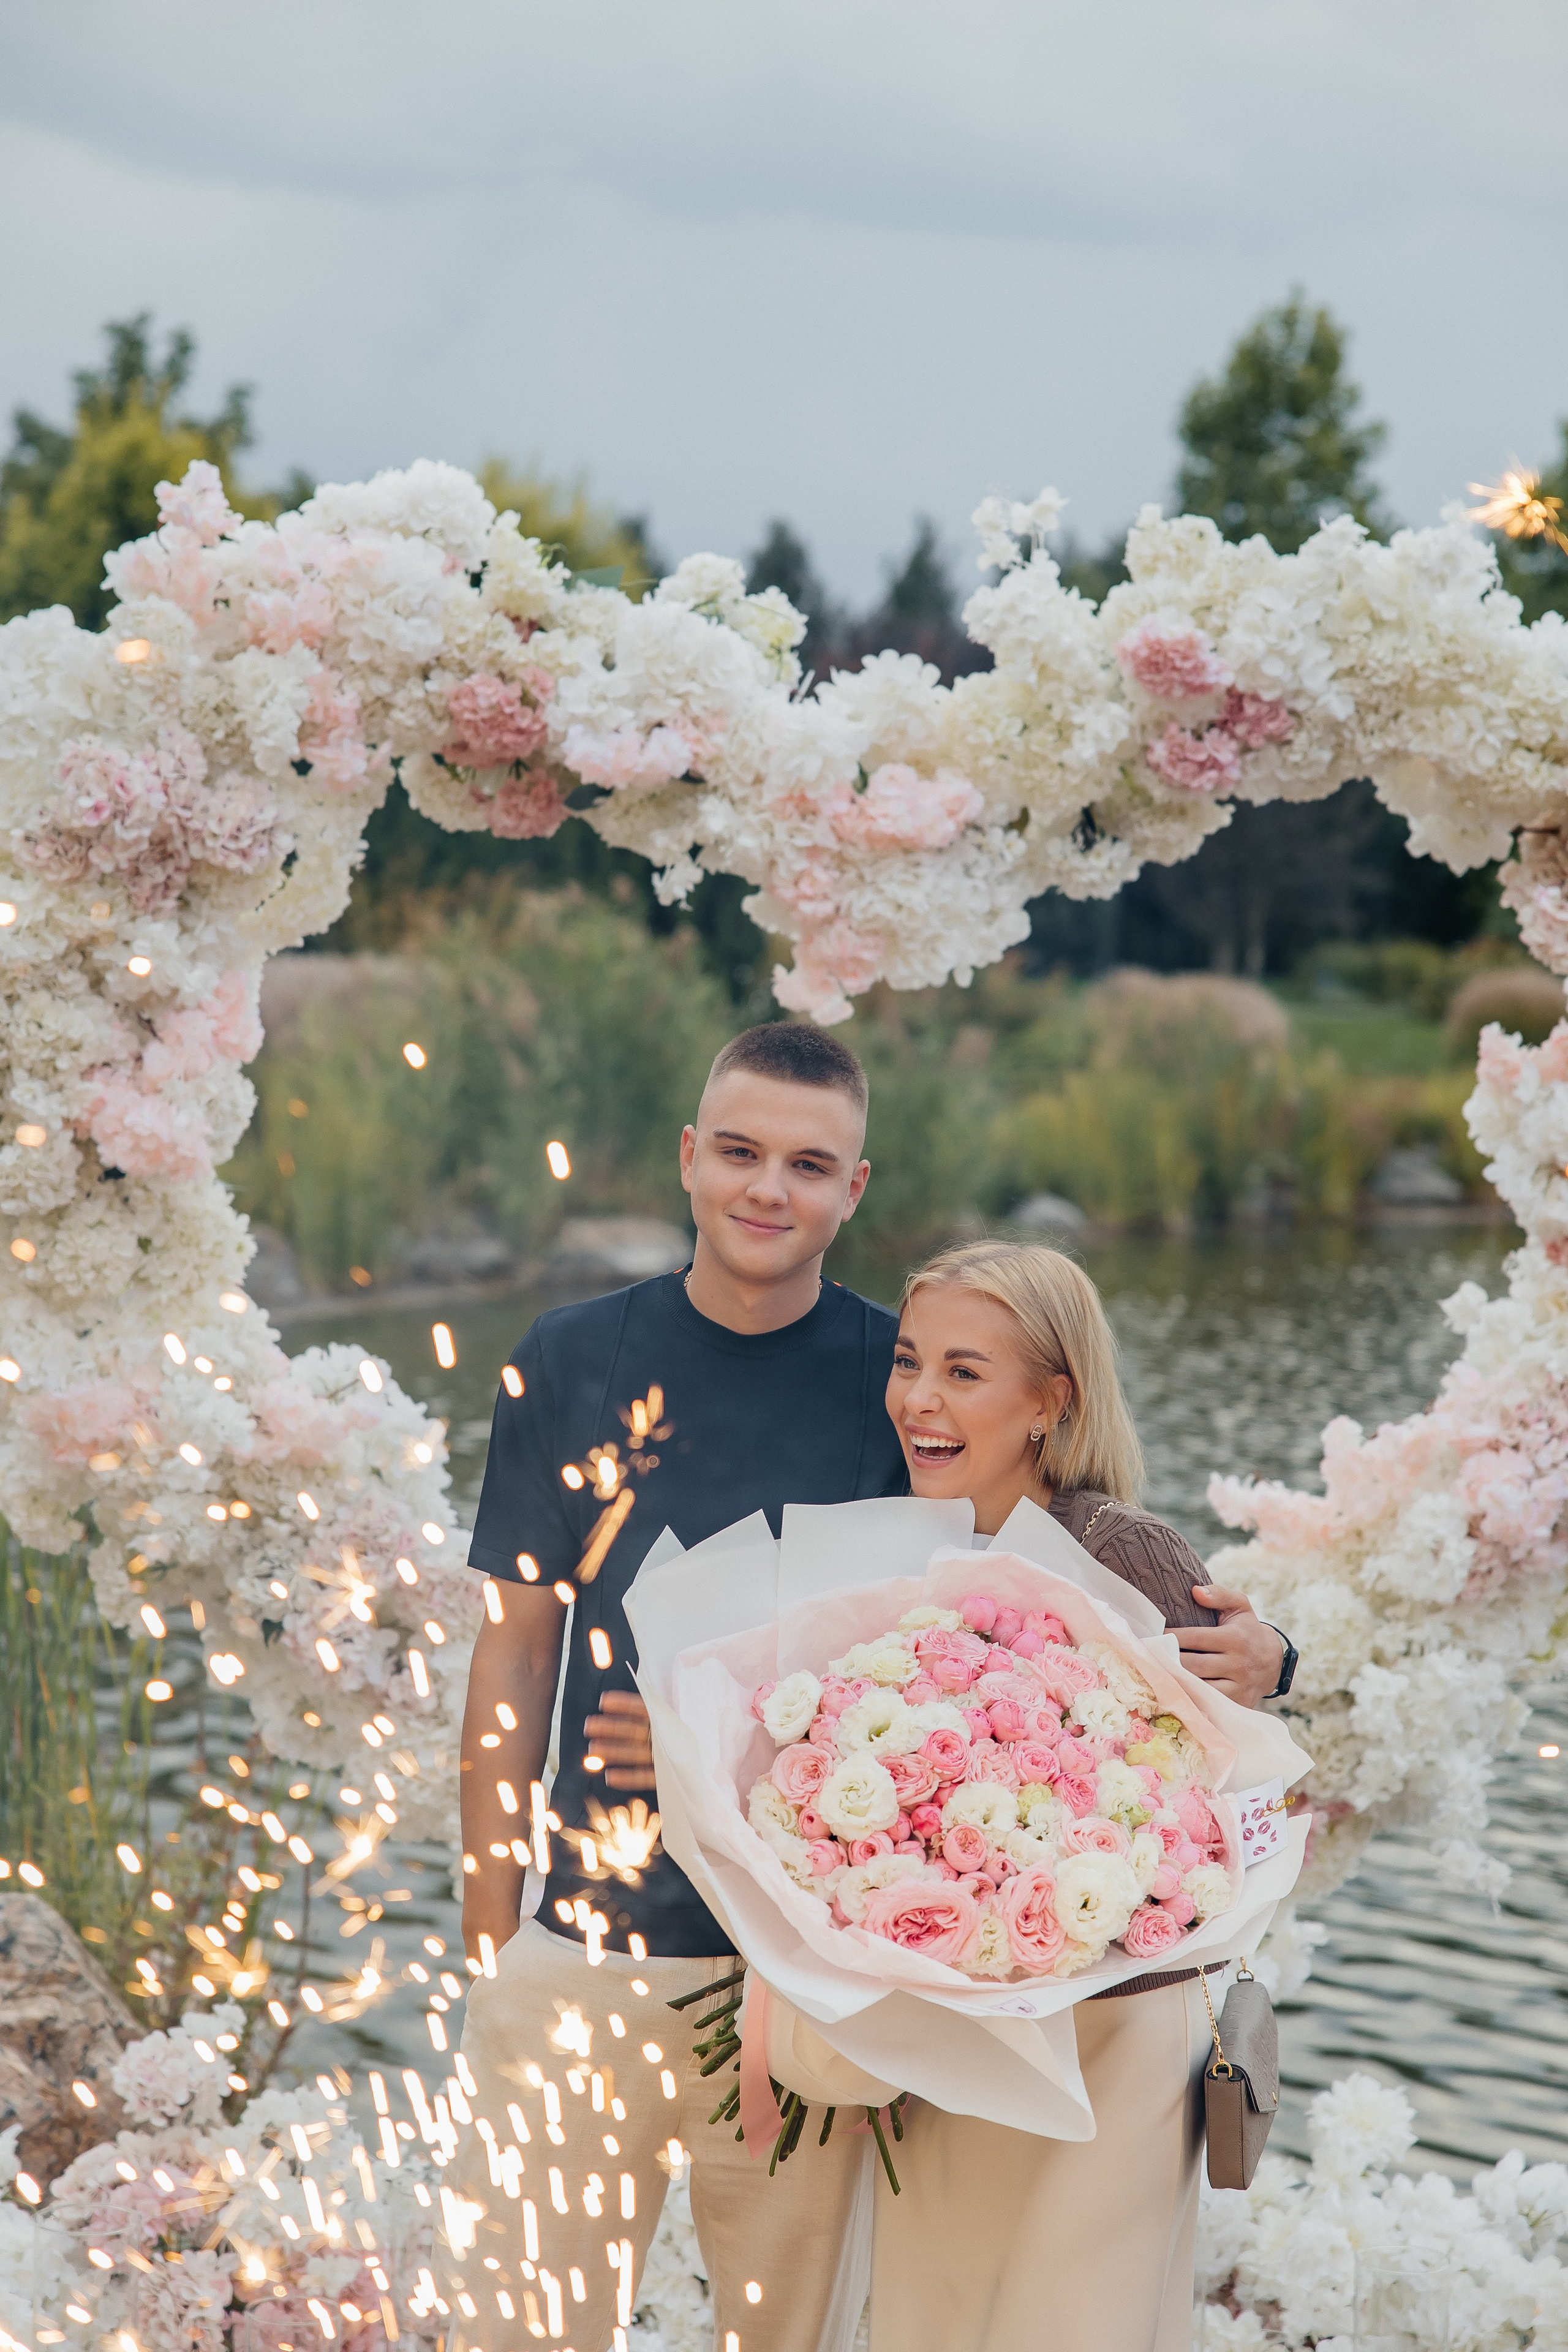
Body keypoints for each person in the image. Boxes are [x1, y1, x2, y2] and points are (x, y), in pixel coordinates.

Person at [444, 1030, 1293, 2352]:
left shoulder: (895, 1379)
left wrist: (1271, 1659)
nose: (765, 1190)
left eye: (807, 1163)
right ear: (687, 1159)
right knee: (514, 2334)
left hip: (804, 2007)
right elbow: (509, 1660)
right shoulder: (567, 1357)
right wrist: (494, 1945)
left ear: (855, 1187)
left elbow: (1046, 1593)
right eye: (737, 1152)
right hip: (581, 1957)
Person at [868, 1238, 1288, 2352]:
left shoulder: (1127, 1551)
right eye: (911, 1362)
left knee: (1078, 2324)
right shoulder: (891, 1546)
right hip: (955, 2028)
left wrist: (1276, 1658)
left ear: (1051, 1400)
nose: (920, 1397)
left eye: (965, 1371)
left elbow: (1248, 1778)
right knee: (937, 2317)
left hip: (1121, 2038)